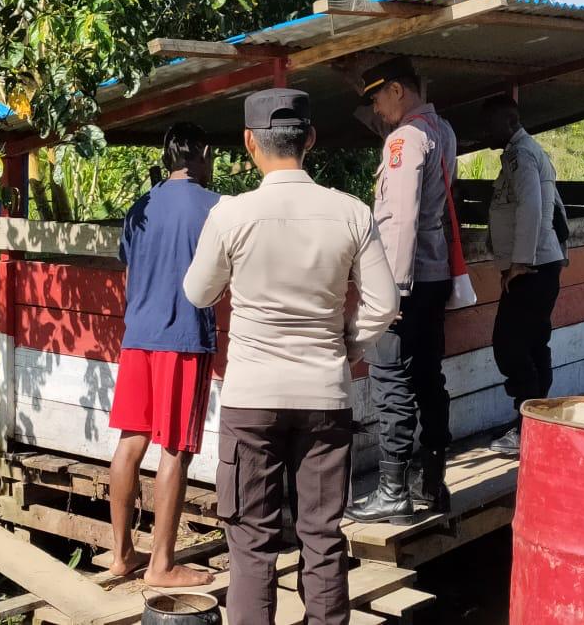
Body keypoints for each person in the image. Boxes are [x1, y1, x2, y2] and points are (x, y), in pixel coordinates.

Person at [184, 88, 399, 625]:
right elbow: (385, 303)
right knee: (322, 537)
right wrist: (346, 347)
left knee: (251, 543)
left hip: (251, 399)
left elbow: (197, 293)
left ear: (249, 143)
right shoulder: (350, 212)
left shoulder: (231, 215)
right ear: (312, 140)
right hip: (325, 395)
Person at [344, 56, 457, 525]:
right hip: (434, 273)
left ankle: (393, 489)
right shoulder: (441, 130)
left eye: (377, 97)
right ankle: (432, 478)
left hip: (406, 278)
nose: (376, 108)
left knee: (391, 377)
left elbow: (403, 216)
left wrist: (390, 291)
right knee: (428, 375)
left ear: (397, 90)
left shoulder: (405, 139)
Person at [107, 122, 220, 586]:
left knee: (130, 444)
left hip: (137, 336)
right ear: (206, 153)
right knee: (175, 450)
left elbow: (129, 271)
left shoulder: (142, 206)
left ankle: (121, 556)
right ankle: (161, 565)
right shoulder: (216, 208)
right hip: (183, 340)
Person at [482, 95, 567, 456]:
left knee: (511, 345)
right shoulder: (527, 153)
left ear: (509, 122)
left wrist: (519, 262)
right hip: (540, 265)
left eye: (489, 124)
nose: (484, 132)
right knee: (533, 344)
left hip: (530, 269)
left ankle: (526, 427)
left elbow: (533, 208)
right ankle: (533, 422)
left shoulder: (521, 156)